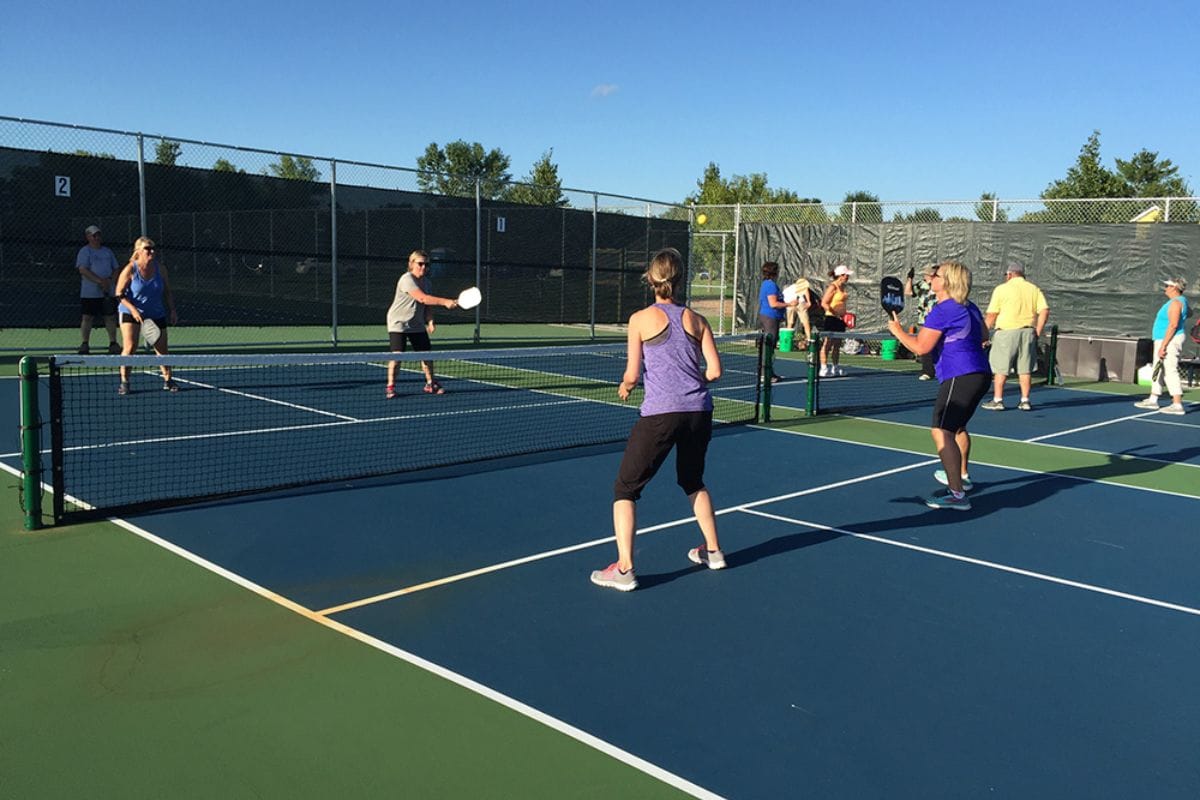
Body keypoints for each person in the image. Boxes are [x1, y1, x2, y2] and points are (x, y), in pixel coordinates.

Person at [591, 247, 725, 591]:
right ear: (680, 281)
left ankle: (624, 569)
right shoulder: (698, 320)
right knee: (693, 481)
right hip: (699, 413)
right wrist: (689, 382)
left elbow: (633, 374)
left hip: (661, 415)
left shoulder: (639, 319)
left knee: (625, 489)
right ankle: (713, 551)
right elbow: (715, 371)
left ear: (650, 280)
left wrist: (625, 386)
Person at [887, 261, 991, 511]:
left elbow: (922, 347)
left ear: (947, 281)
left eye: (936, 274)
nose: (930, 277)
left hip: (960, 374)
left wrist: (898, 331)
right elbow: (985, 336)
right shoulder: (970, 307)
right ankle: (962, 478)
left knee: (941, 430)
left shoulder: (943, 310)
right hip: (980, 373)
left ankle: (956, 495)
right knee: (956, 428)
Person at [385, 250, 458, 399]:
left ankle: (430, 383)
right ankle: (391, 386)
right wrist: (445, 302)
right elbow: (423, 299)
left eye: (426, 264)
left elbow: (427, 306)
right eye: (420, 264)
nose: (423, 267)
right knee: (397, 356)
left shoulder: (427, 282)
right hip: (398, 323)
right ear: (411, 264)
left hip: (417, 323)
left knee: (426, 355)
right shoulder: (407, 279)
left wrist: (430, 321)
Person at [114, 237, 178, 395]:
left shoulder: (160, 269)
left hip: (156, 313)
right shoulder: (130, 269)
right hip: (130, 312)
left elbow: (168, 291)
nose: (152, 251)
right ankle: (125, 382)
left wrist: (173, 310)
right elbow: (119, 294)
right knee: (130, 347)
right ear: (139, 251)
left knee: (162, 350)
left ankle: (168, 380)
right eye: (148, 248)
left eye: (153, 248)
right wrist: (134, 310)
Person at [981, 263, 1050, 411]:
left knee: (1001, 368)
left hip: (1006, 332)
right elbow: (1044, 310)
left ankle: (998, 400)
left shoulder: (1001, 289)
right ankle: (1025, 401)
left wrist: (982, 334)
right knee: (1025, 369)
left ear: (1010, 274)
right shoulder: (1033, 289)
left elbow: (992, 314)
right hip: (1027, 332)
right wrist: (1037, 330)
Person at [1134, 278, 1190, 415]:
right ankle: (1153, 399)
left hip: (1169, 340)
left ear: (1174, 288)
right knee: (1157, 369)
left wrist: (1163, 346)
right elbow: (1189, 313)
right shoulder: (1179, 302)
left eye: (1167, 285)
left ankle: (1177, 404)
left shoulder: (1176, 303)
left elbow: (1173, 325)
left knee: (1170, 369)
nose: (1165, 287)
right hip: (1162, 339)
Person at [75, 225, 121, 355]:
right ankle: (85, 344)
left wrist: (109, 281)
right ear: (88, 237)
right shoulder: (84, 251)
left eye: (98, 235)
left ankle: (113, 343)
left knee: (110, 317)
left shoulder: (107, 252)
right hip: (90, 293)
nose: (97, 238)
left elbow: (116, 268)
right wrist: (100, 281)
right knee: (87, 317)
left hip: (108, 292)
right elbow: (82, 270)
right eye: (94, 235)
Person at [757, 261, 798, 382]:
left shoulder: (769, 285)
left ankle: (769, 372)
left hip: (772, 317)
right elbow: (773, 303)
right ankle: (765, 374)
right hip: (770, 317)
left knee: (771, 345)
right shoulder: (770, 285)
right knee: (768, 346)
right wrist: (789, 304)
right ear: (774, 272)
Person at [903, 264, 938, 380]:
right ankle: (928, 371)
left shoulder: (940, 286)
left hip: (938, 321)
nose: (928, 276)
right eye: (927, 274)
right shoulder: (921, 285)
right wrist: (909, 279)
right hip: (924, 321)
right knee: (925, 346)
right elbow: (908, 293)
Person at [819, 264, 853, 376]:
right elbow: (824, 303)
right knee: (827, 344)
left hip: (840, 320)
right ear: (841, 275)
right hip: (831, 318)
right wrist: (835, 313)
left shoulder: (843, 287)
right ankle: (823, 368)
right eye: (846, 275)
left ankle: (835, 367)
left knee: (837, 344)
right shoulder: (832, 287)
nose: (848, 277)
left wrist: (844, 315)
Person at [785, 277, 813, 349]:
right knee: (805, 322)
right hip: (799, 302)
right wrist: (809, 301)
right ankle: (809, 340)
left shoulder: (787, 289)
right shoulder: (801, 286)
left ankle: (788, 342)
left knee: (790, 323)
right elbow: (806, 290)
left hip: (789, 304)